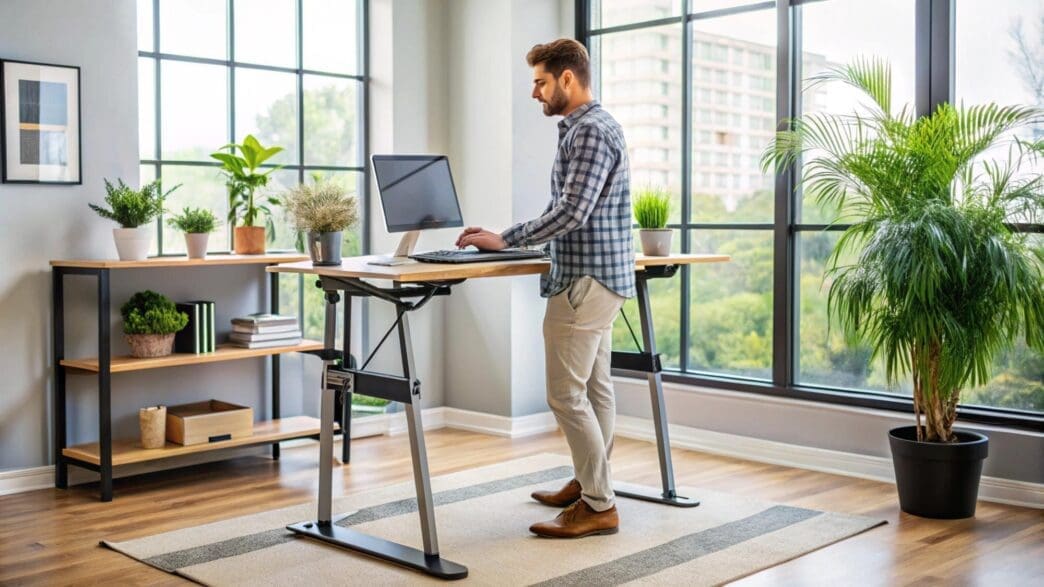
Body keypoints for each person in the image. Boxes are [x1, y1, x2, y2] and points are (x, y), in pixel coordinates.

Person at [456, 38, 634, 539]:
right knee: (595, 390)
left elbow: (573, 211)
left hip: (586, 281)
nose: (535, 92)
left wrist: (504, 239)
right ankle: (589, 483)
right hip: (596, 277)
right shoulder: (583, 128)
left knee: (563, 395)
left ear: (568, 79)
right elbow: (579, 210)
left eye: (540, 81)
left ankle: (599, 504)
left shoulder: (592, 132)